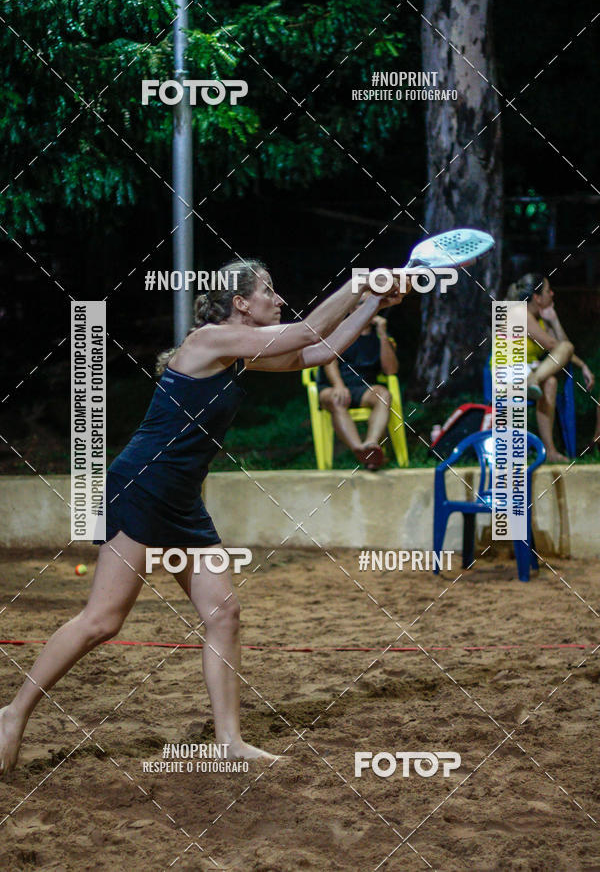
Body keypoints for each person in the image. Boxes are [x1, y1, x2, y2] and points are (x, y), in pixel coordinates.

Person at [0, 258, 410, 772]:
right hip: (144, 486)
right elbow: (307, 330)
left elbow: (319, 350)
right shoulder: (210, 340)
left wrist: (374, 301)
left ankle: (229, 742)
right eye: (269, 291)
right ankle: (12, 714)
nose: (278, 299)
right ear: (240, 303)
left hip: (182, 500)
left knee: (223, 615)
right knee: (102, 620)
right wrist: (355, 282)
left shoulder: (239, 355)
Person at [507, 273, 598, 462]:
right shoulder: (519, 313)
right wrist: (576, 360)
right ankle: (532, 380)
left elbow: (563, 347)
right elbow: (554, 346)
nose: (552, 294)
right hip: (507, 372)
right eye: (548, 291)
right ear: (537, 297)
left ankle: (550, 451)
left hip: (526, 372)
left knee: (550, 382)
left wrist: (554, 320)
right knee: (562, 352)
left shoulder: (538, 319)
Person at [316, 298, 399, 470]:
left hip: (364, 389)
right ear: (351, 308)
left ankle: (371, 444)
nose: (368, 307)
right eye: (362, 303)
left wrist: (383, 335)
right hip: (333, 386)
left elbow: (390, 370)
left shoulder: (379, 334)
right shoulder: (340, 330)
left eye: (372, 303)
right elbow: (328, 360)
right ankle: (359, 450)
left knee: (383, 395)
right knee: (337, 399)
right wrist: (338, 385)